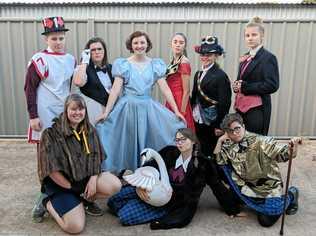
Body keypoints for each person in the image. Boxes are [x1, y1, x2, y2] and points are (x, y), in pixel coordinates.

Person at [107, 128, 240, 229]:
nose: (180, 143)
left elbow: (218, 187)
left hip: (168, 201)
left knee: (125, 216)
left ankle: (141, 207)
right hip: (150, 186)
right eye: (177, 140)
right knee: (112, 201)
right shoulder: (168, 152)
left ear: (193, 141)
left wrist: (232, 209)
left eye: (184, 139)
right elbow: (149, 166)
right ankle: (136, 201)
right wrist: (139, 186)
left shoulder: (203, 164)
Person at [96, 31, 186, 173]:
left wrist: (176, 110)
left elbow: (166, 90)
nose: (139, 45)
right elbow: (115, 90)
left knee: (148, 139)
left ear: (147, 44)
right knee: (127, 140)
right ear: (131, 45)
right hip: (127, 109)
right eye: (136, 43)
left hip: (147, 108)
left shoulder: (155, 65)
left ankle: (146, 172)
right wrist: (106, 112)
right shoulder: (124, 64)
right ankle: (129, 174)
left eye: (142, 42)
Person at [38, 94, 121, 234]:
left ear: (85, 111)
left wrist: (94, 178)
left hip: (83, 178)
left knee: (115, 185)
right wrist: (71, 188)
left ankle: (81, 200)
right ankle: (47, 203)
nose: (77, 113)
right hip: (62, 185)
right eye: (73, 109)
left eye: (81, 109)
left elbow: (96, 156)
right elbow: (51, 170)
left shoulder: (90, 130)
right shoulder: (50, 134)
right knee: (75, 227)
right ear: (66, 110)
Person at [24, 16, 76, 222]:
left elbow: (71, 85)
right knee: (45, 157)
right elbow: (29, 89)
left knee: (65, 155)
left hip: (63, 114)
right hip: (44, 114)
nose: (58, 42)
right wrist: (33, 115)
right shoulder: (39, 59)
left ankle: (64, 193)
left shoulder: (71, 59)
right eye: (54, 38)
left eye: (61, 38)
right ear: (47, 39)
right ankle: (44, 195)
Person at [214, 113, 301, 227]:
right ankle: (253, 200)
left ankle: (292, 195)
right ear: (227, 133)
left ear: (243, 126)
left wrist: (292, 147)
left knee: (266, 220)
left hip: (268, 187)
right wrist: (220, 141)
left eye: (237, 129)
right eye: (230, 131)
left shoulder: (262, 141)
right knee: (229, 203)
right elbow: (219, 161)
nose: (235, 133)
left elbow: (285, 154)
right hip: (246, 186)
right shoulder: (228, 145)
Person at [233, 17, 279, 135]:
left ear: (262, 36)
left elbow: (272, 85)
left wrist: (245, 87)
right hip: (240, 109)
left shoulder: (268, 58)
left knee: (254, 146)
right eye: (247, 35)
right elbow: (243, 80)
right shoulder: (245, 57)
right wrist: (237, 85)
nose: (250, 38)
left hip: (257, 111)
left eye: (254, 35)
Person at [191, 36, 231, 157]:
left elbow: (225, 102)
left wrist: (220, 124)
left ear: (216, 56)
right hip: (198, 118)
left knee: (211, 151)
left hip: (213, 121)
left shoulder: (220, 76)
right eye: (203, 54)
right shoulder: (198, 74)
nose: (205, 57)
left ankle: (212, 174)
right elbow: (194, 97)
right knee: (200, 148)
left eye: (209, 54)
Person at [73, 37, 114, 124]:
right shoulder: (83, 68)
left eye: (99, 49)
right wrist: (84, 61)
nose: (97, 52)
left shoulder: (111, 68)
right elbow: (78, 82)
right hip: (92, 112)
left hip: (111, 112)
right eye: (93, 50)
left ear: (104, 51)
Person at [165, 33, 195, 132]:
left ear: (184, 46)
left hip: (180, 100)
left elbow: (186, 91)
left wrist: (182, 112)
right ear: (171, 44)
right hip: (171, 99)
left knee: (181, 130)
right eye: (175, 42)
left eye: (181, 43)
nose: (178, 45)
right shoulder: (174, 61)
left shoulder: (184, 62)